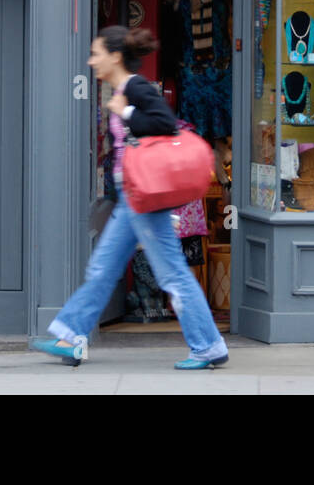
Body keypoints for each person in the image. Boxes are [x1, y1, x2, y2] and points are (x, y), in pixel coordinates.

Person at [29, 25, 230, 370]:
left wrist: (126, 112)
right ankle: (71, 337)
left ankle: (208, 346)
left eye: (97, 53)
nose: (92, 61)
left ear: (115, 56)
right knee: (102, 268)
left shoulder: (134, 88)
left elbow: (166, 123)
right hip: (132, 196)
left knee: (172, 274)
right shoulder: (122, 89)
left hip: (146, 197)